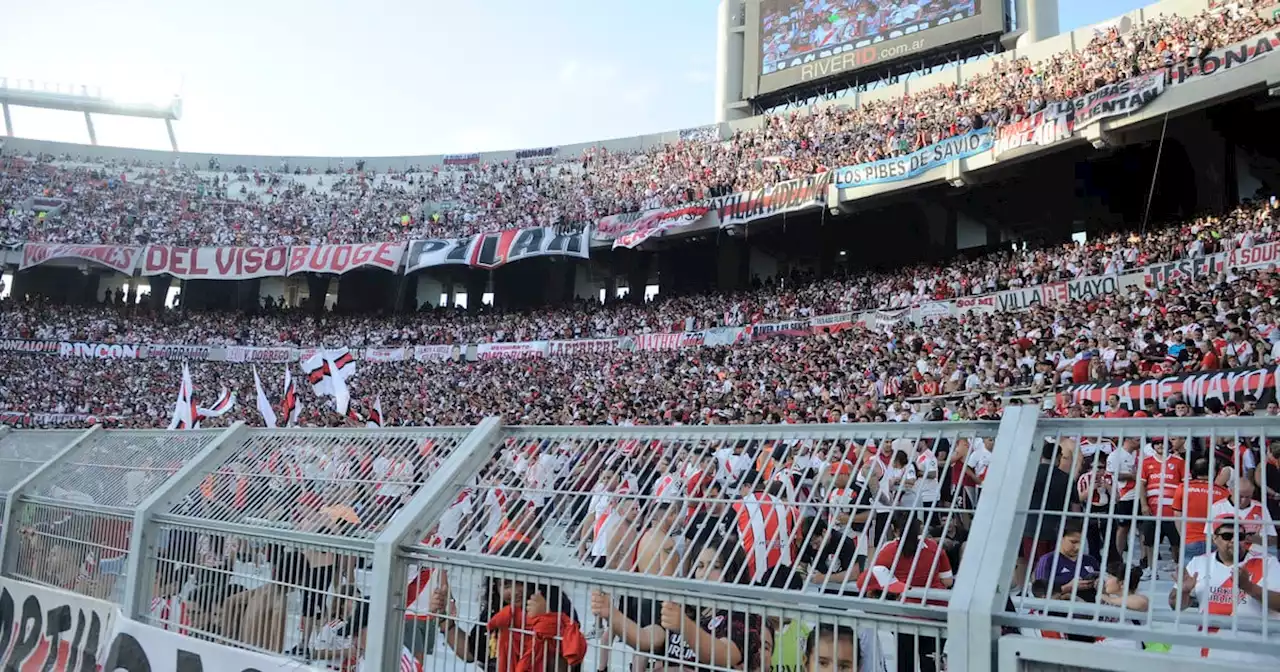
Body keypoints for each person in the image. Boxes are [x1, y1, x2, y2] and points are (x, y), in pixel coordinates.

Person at [590, 534, 764, 672]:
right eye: (700, 566)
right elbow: (647, 638)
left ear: (733, 571)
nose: (703, 573)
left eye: (715, 566)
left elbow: (723, 655)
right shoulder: (689, 608)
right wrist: (612, 613)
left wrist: (685, 626)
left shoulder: (743, 616)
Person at [1169, 514, 1280, 662]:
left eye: (1239, 536)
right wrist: (1183, 593)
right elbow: (1175, 605)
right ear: (1214, 539)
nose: (1234, 541)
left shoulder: (1268, 563)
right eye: (1227, 536)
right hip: (1212, 653)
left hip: (1258, 654)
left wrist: (1249, 588)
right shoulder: (1199, 563)